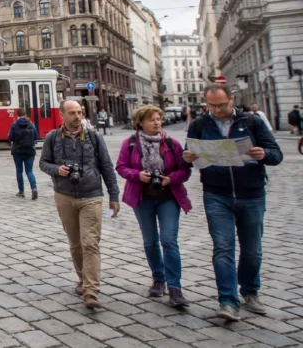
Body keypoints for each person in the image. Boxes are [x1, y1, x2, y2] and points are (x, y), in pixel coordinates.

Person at [183, 84, 283, 321]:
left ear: (232, 100)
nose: (217, 110)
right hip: (217, 194)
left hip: (252, 193)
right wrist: (186, 158)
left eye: (222, 105)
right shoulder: (199, 124)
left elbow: (276, 154)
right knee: (223, 248)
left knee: (252, 250)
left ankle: (250, 291)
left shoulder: (252, 122)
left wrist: (264, 155)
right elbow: (188, 156)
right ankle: (227, 301)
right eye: (212, 106)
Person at [39, 100, 121, 309]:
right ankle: (83, 279)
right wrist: (57, 170)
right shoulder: (52, 138)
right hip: (64, 195)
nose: (78, 116)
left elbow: (106, 166)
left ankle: (91, 290)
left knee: (90, 243)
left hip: (91, 195)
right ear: (62, 115)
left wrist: (114, 195)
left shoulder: (93, 136)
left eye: (80, 112)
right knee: (75, 243)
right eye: (73, 113)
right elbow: (43, 163)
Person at [116, 105, 192, 307]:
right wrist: (137, 175)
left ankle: (175, 288)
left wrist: (170, 179)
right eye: (152, 119)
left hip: (169, 197)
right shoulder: (130, 143)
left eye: (159, 118)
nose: (157, 122)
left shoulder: (171, 143)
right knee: (150, 240)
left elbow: (184, 171)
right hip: (143, 198)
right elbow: (121, 167)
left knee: (169, 240)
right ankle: (159, 278)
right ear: (140, 122)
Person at [7, 108, 39, 199]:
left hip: (17, 151)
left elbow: (10, 137)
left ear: (17, 115)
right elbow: (36, 137)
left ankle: (21, 191)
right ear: (25, 114)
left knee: (19, 171)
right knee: (29, 171)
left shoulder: (14, 125)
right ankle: (34, 188)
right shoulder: (31, 124)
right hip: (30, 151)